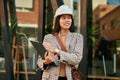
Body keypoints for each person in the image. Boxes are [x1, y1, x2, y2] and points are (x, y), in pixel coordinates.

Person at [37, 5, 84, 80]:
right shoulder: (48, 37)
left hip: (69, 77)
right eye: (63, 18)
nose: (67, 20)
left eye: (69, 18)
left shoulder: (78, 37)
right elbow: (39, 60)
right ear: (57, 20)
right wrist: (46, 61)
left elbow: (77, 59)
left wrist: (56, 51)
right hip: (49, 77)